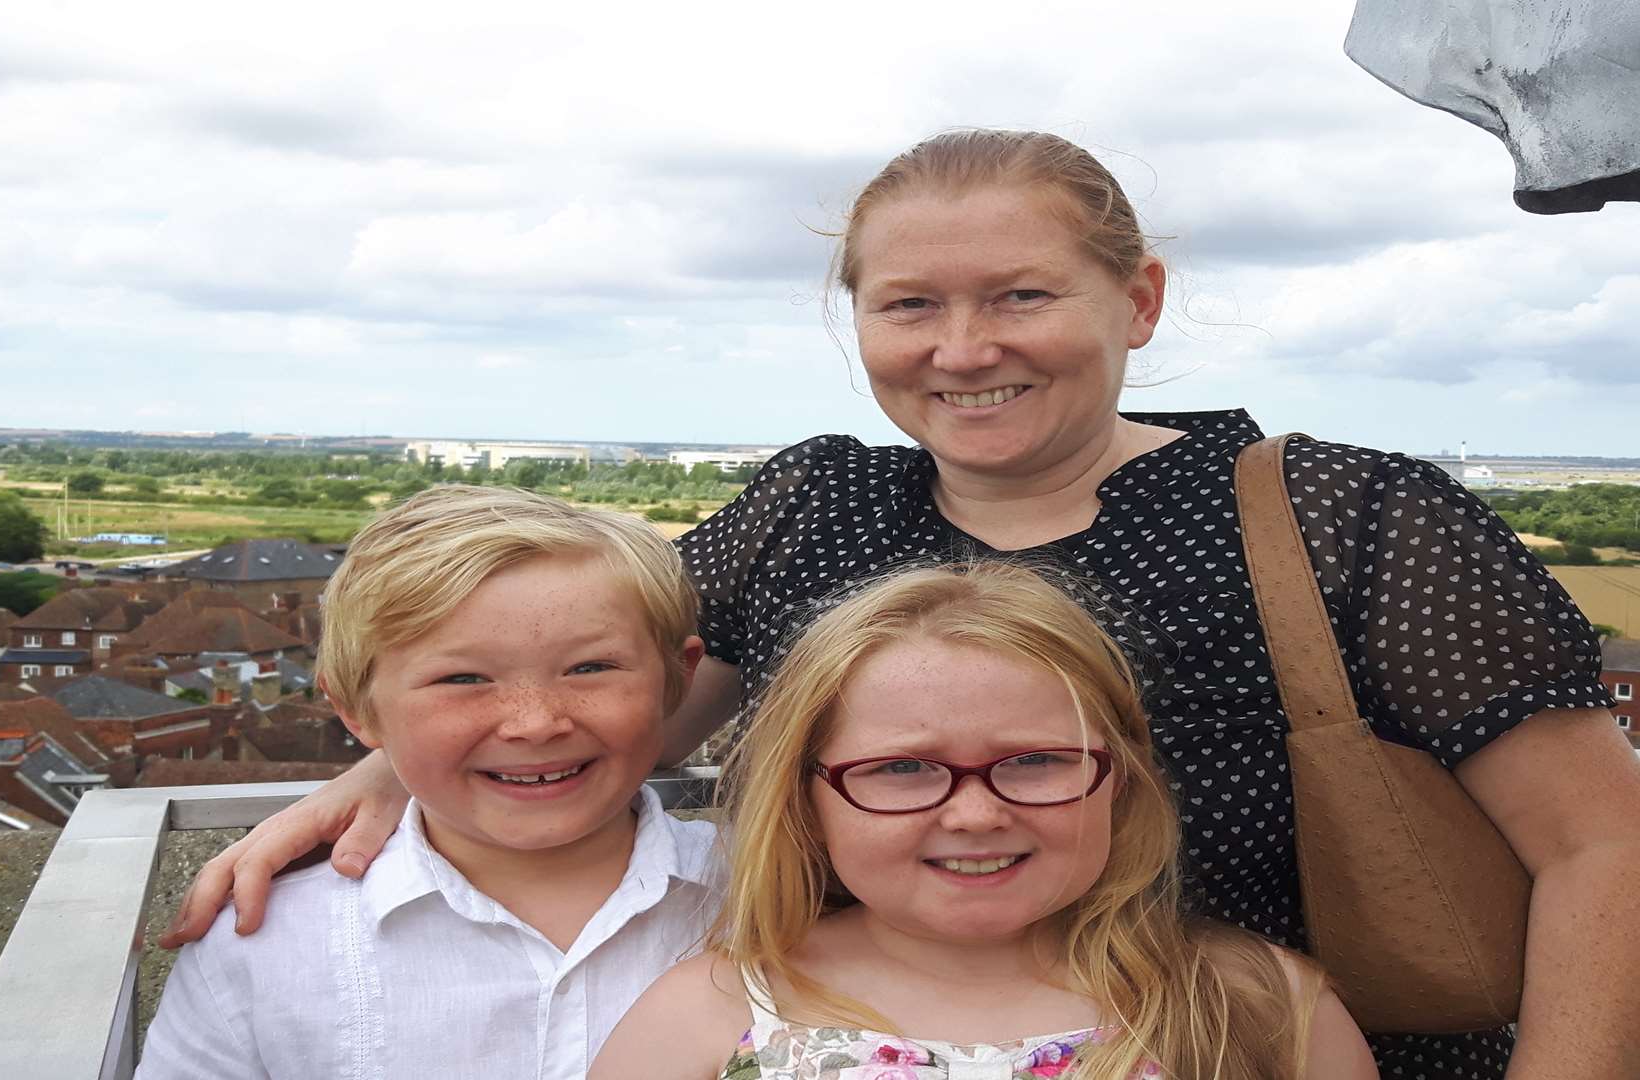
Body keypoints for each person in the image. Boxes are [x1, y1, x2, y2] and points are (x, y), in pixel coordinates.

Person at [161, 130, 1640, 1080]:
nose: (963, 348)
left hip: (1279, 1045)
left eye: (1021, 297)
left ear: (1138, 304)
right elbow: (577, 688)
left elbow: (1601, 844)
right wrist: (368, 774)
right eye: (910, 306)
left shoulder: (1336, 513)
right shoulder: (819, 508)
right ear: (856, 321)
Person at [591, 563, 1378, 1079]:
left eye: (1036, 760)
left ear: (1121, 780)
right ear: (806, 798)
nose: (974, 813)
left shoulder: (1260, 1009)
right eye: (901, 769)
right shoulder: (713, 1014)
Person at [136, 486, 719, 1078]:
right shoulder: (258, 952)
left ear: (678, 677)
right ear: (356, 709)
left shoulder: (786, 903)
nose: (536, 722)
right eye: (463, 678)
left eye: (590, 668)